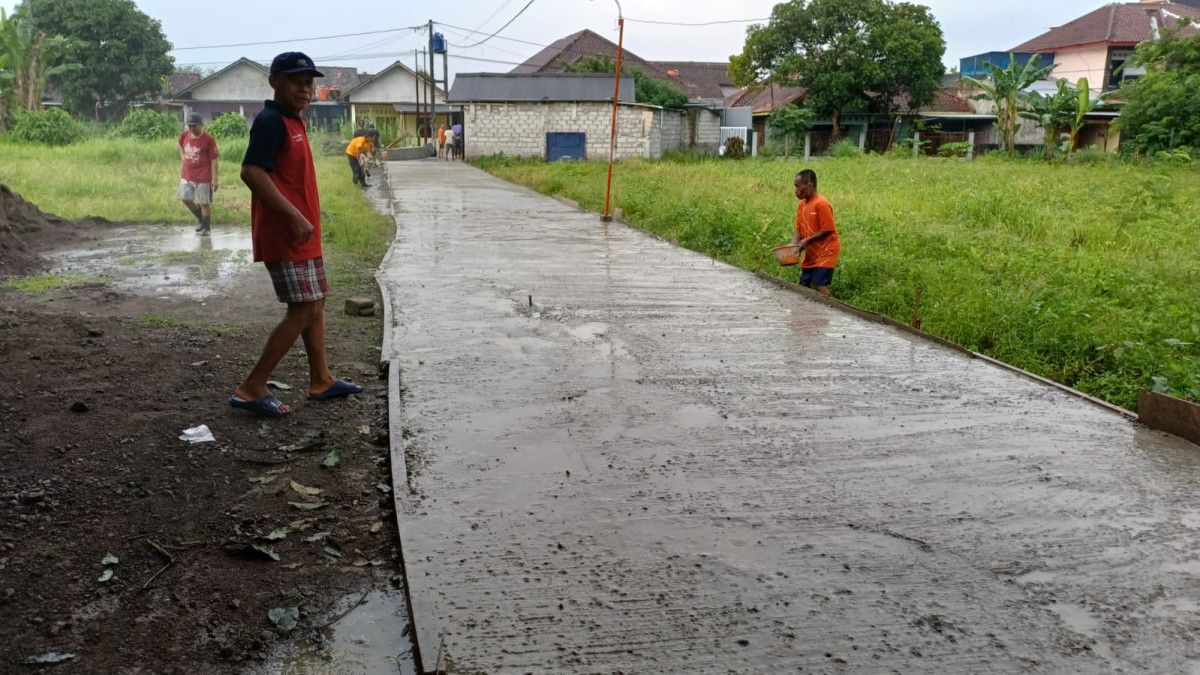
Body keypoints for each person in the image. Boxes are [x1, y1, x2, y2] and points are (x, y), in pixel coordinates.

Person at [230, 51, 364, 418]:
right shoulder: (271, 121)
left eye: (309, 82)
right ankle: (252, 387)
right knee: (303, 309)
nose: (305, 89)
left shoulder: (294, 122)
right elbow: (251, 172)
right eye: (296, 81)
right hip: (286, 234)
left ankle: (321, 379)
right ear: (275, 82)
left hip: (303, 234)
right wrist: (293, 217)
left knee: (315, 305)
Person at [786, 169, 840, 298]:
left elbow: (828, 229)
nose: (796, 191)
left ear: (809, 186)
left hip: (826, 251)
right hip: (811, 251)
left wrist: (807, 240)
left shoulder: (822, 204)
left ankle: (828, 310)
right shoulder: (801, 205)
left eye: (798, 187)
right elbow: (798, 229)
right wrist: (793, 245)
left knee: (818, 283)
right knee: (804, 282)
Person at [178, 113, 219, 236]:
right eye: (189, 126)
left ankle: (206, 228)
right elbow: (180, 144)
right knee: (185, 198)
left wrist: (214, 180)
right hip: (187, 175)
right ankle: (202, 220)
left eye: (194, 126)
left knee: (204, 202)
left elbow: (214, 160)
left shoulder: (209, 140)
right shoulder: (184, 135)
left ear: (201, 125)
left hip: (203, 177)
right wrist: (183, 157)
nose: (191, 129)